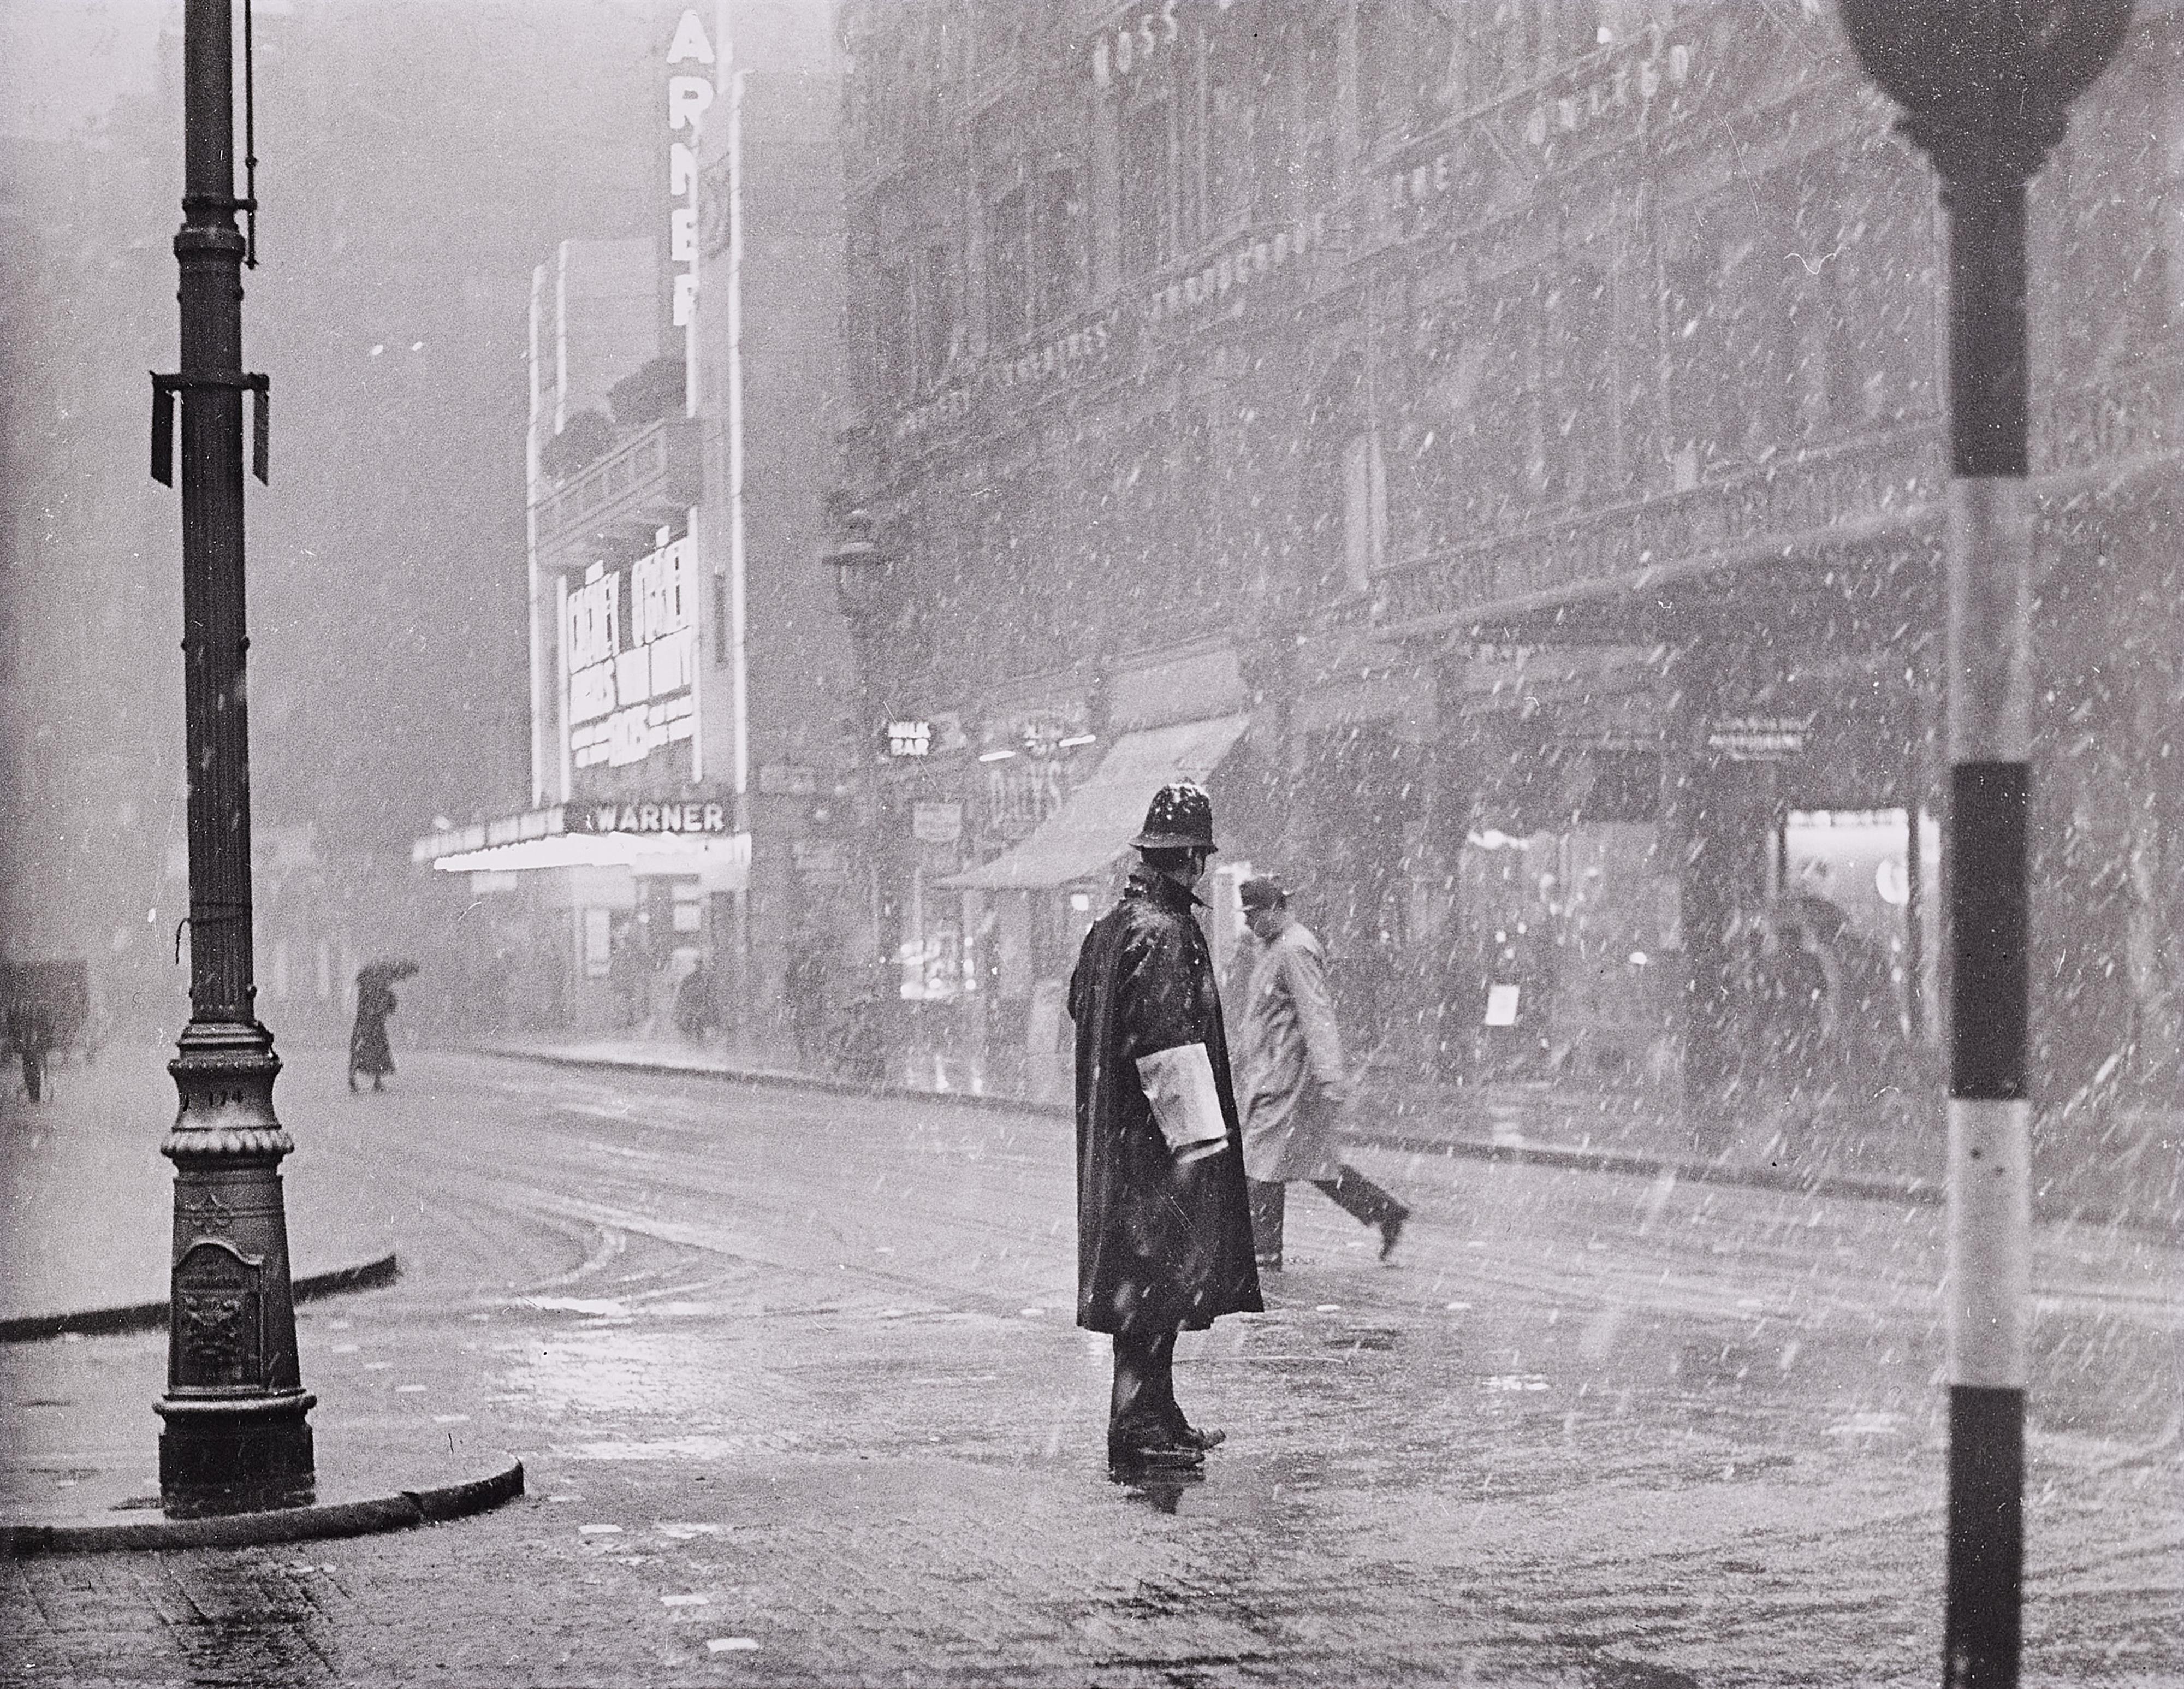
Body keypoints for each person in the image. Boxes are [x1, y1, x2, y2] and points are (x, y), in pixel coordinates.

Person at [1068, 782, 1261, 1473]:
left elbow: (1081, 1006)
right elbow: (1167, 1045)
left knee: (1143, 1286)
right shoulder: (1164, 931)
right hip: (1155, 1147)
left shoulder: (1113, 927)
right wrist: (1198, 1145)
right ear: (1194, 859)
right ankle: (1139, 1425)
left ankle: (1156, 1413)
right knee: (1154, 1282)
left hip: (1121, 1137)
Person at [1232, 876, 1410, 1272]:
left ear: (1275, 909)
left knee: (1262, 1163)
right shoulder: (1276, 946)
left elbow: (1316, 1013)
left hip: (1289, 1078)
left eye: (1253, 914)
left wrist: (1330, 1074)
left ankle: (1264, 1254)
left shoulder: (1295, 948)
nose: (1248, 922)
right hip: (1276, 1072)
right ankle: (1385, 1211)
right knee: (1312, 1162)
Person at [348, 969, 400, 1093]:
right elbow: (386, 1009)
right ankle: (362, 1079)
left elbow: (365, 1010)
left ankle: (358, 1078)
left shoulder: (368, 991)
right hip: (373, 1026)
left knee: (368, 1052)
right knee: (374, 1052)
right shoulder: (376, 992)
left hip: (368, 1025)